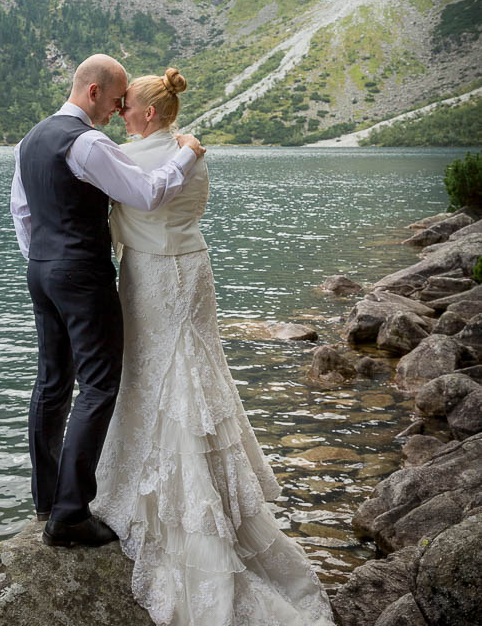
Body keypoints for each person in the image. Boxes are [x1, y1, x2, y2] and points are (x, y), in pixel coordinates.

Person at [91, 67, 335, 626]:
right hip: (192, 270)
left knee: (159, 375)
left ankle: (174, 512)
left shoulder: (135, 159)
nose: (118, 112)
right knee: (192, 371)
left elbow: (115, 210)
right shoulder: (191, 153)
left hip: (153, 277)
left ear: (148, 113)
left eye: (125, 105)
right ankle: (212, 500)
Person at [10, 54, 206, 549]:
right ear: (94, 92)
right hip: (81, 273)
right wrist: (186, 153)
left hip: (41, 270)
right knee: (98, 386)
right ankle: (71, 515)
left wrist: (46, 260)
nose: (119, 108)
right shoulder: (87, 142)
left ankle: (46, 498)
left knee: (52, 383)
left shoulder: (30, 139)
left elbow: (22, 211)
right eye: (117, 99)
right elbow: (145, 194)